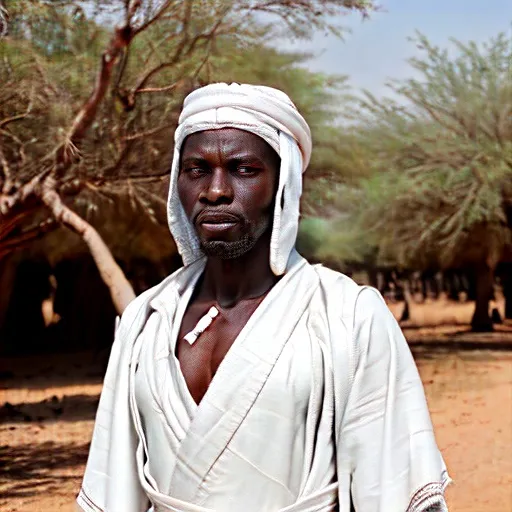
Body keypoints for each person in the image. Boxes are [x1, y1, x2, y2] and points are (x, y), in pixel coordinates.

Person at [77, 83, 450, 512]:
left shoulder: (348, 316)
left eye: (243, 169)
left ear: (282, 185)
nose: (215, 190)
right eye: (197, 169)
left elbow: (391, 486)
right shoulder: (147, 319)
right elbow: (114, 488)